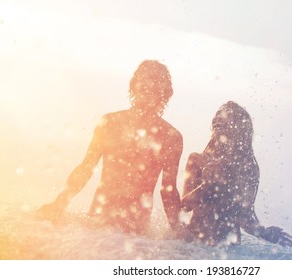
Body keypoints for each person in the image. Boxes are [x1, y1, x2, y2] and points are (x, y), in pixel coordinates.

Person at [38, 60, 187, 237]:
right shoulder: (110, 123)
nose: (147, 91)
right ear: (134, 87)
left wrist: (179, 233)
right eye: (144, 86)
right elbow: (86, 168)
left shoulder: (171, 137)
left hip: (134, 233)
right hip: (101, 225)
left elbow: (168, 192)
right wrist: (59, 204)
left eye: (153, 88)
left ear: (164, 95)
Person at [181, 101, 292, 246]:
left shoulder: (248, 168)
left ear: (238, 128)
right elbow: (185, 205)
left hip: (229, 247)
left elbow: (246, 216)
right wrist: (208, 185)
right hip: (194, 241)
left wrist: (264, 232)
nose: (217, 119)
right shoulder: (197, 160)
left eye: (224, 117)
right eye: (217, 116)